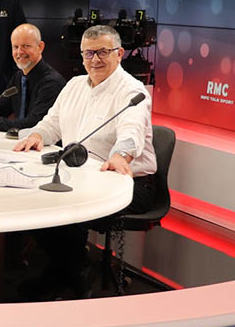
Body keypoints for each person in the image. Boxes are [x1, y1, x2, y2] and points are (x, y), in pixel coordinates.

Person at [14, 25, 156, 299]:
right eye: (88, 53)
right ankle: (70, 271)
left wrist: (120, 156)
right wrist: (36, 136)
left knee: (66, 208)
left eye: (103, 52)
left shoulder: (132, 91)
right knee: (33, 201)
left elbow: (131, 132)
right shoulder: (74, 86)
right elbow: (51, 124)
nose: (95, 59)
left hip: (129, 182)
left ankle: (73, 277)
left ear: (119, 54)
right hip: (79, 176)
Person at [0, 23, 65, 132]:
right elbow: (0, 107)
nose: (20, 52)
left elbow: (33, 124)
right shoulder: (18, 77)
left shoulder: (52, 82)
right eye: (16, 47)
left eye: (26, 46)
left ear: (40, 47)